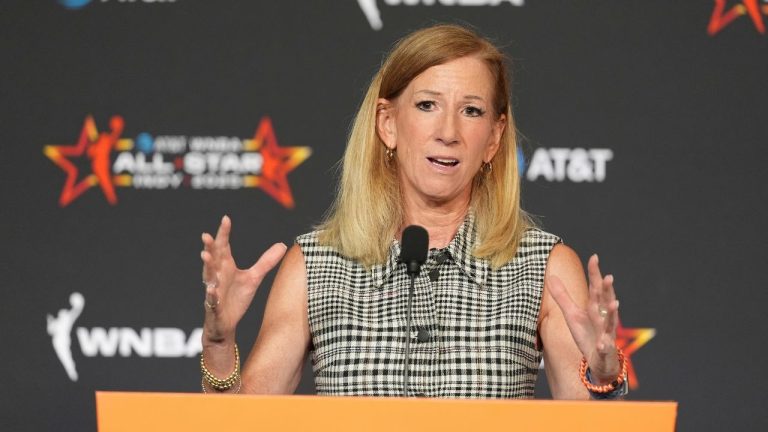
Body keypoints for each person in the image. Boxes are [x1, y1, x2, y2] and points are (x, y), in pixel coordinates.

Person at [198, 24, 626, 399]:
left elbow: (589, 421)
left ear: (494, 139)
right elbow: (244, 419)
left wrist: (603, 377)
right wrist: (219, 342)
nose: (448, 133)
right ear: (388, 123)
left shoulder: (543, 267)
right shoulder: (316, 266)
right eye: (427, 105)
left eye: (471, 111)